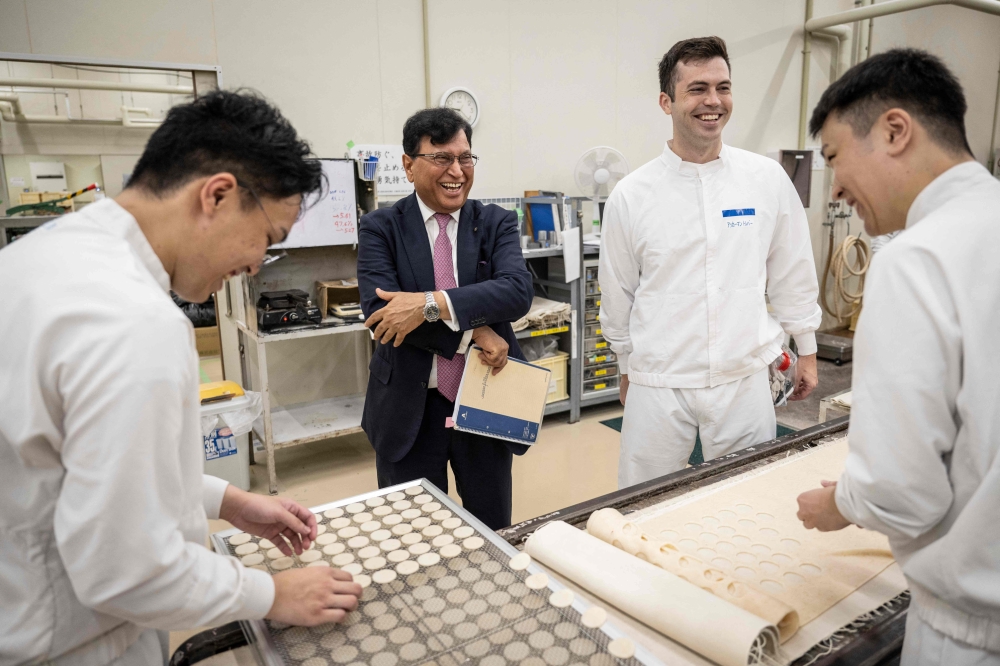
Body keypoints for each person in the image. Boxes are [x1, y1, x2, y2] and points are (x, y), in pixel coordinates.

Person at [0, 90, 362, 666]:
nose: (252, 267)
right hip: (69, 647)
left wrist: (227, 500)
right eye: (266, 241)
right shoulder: (135, 321)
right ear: (216, 195)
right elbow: (127, 570)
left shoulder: (41, 262)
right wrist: (270, 593)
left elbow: (76, 470)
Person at [796, 49, 1000, 666]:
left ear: (893, 130)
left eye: (833, 158)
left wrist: (839, 503)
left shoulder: (916, 259)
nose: (833, 186)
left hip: (969, 632)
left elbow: (902, 494)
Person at [599, 36, 822, 488]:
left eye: (723, 87)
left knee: (748, 495)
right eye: (697, 89)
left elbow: (792, 270)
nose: (713, 101)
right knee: (642, 503)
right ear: (667, 101)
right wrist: (626, 366)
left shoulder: (764, 180)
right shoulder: (632, 195)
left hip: (743, 377)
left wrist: (808, 349)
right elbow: (617, 292)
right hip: (659, 379)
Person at [357, 107, 533, 530]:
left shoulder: (495, 223)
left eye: (465, 157)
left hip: (485, 400)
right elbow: (382, 315)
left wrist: (427, 305)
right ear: (408, 165)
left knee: (492, 528)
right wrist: (474, 328)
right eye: (441, 158)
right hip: (408, 408)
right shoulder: (381, 228)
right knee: (415, 535)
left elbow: (516, 291)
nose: (457, 170)